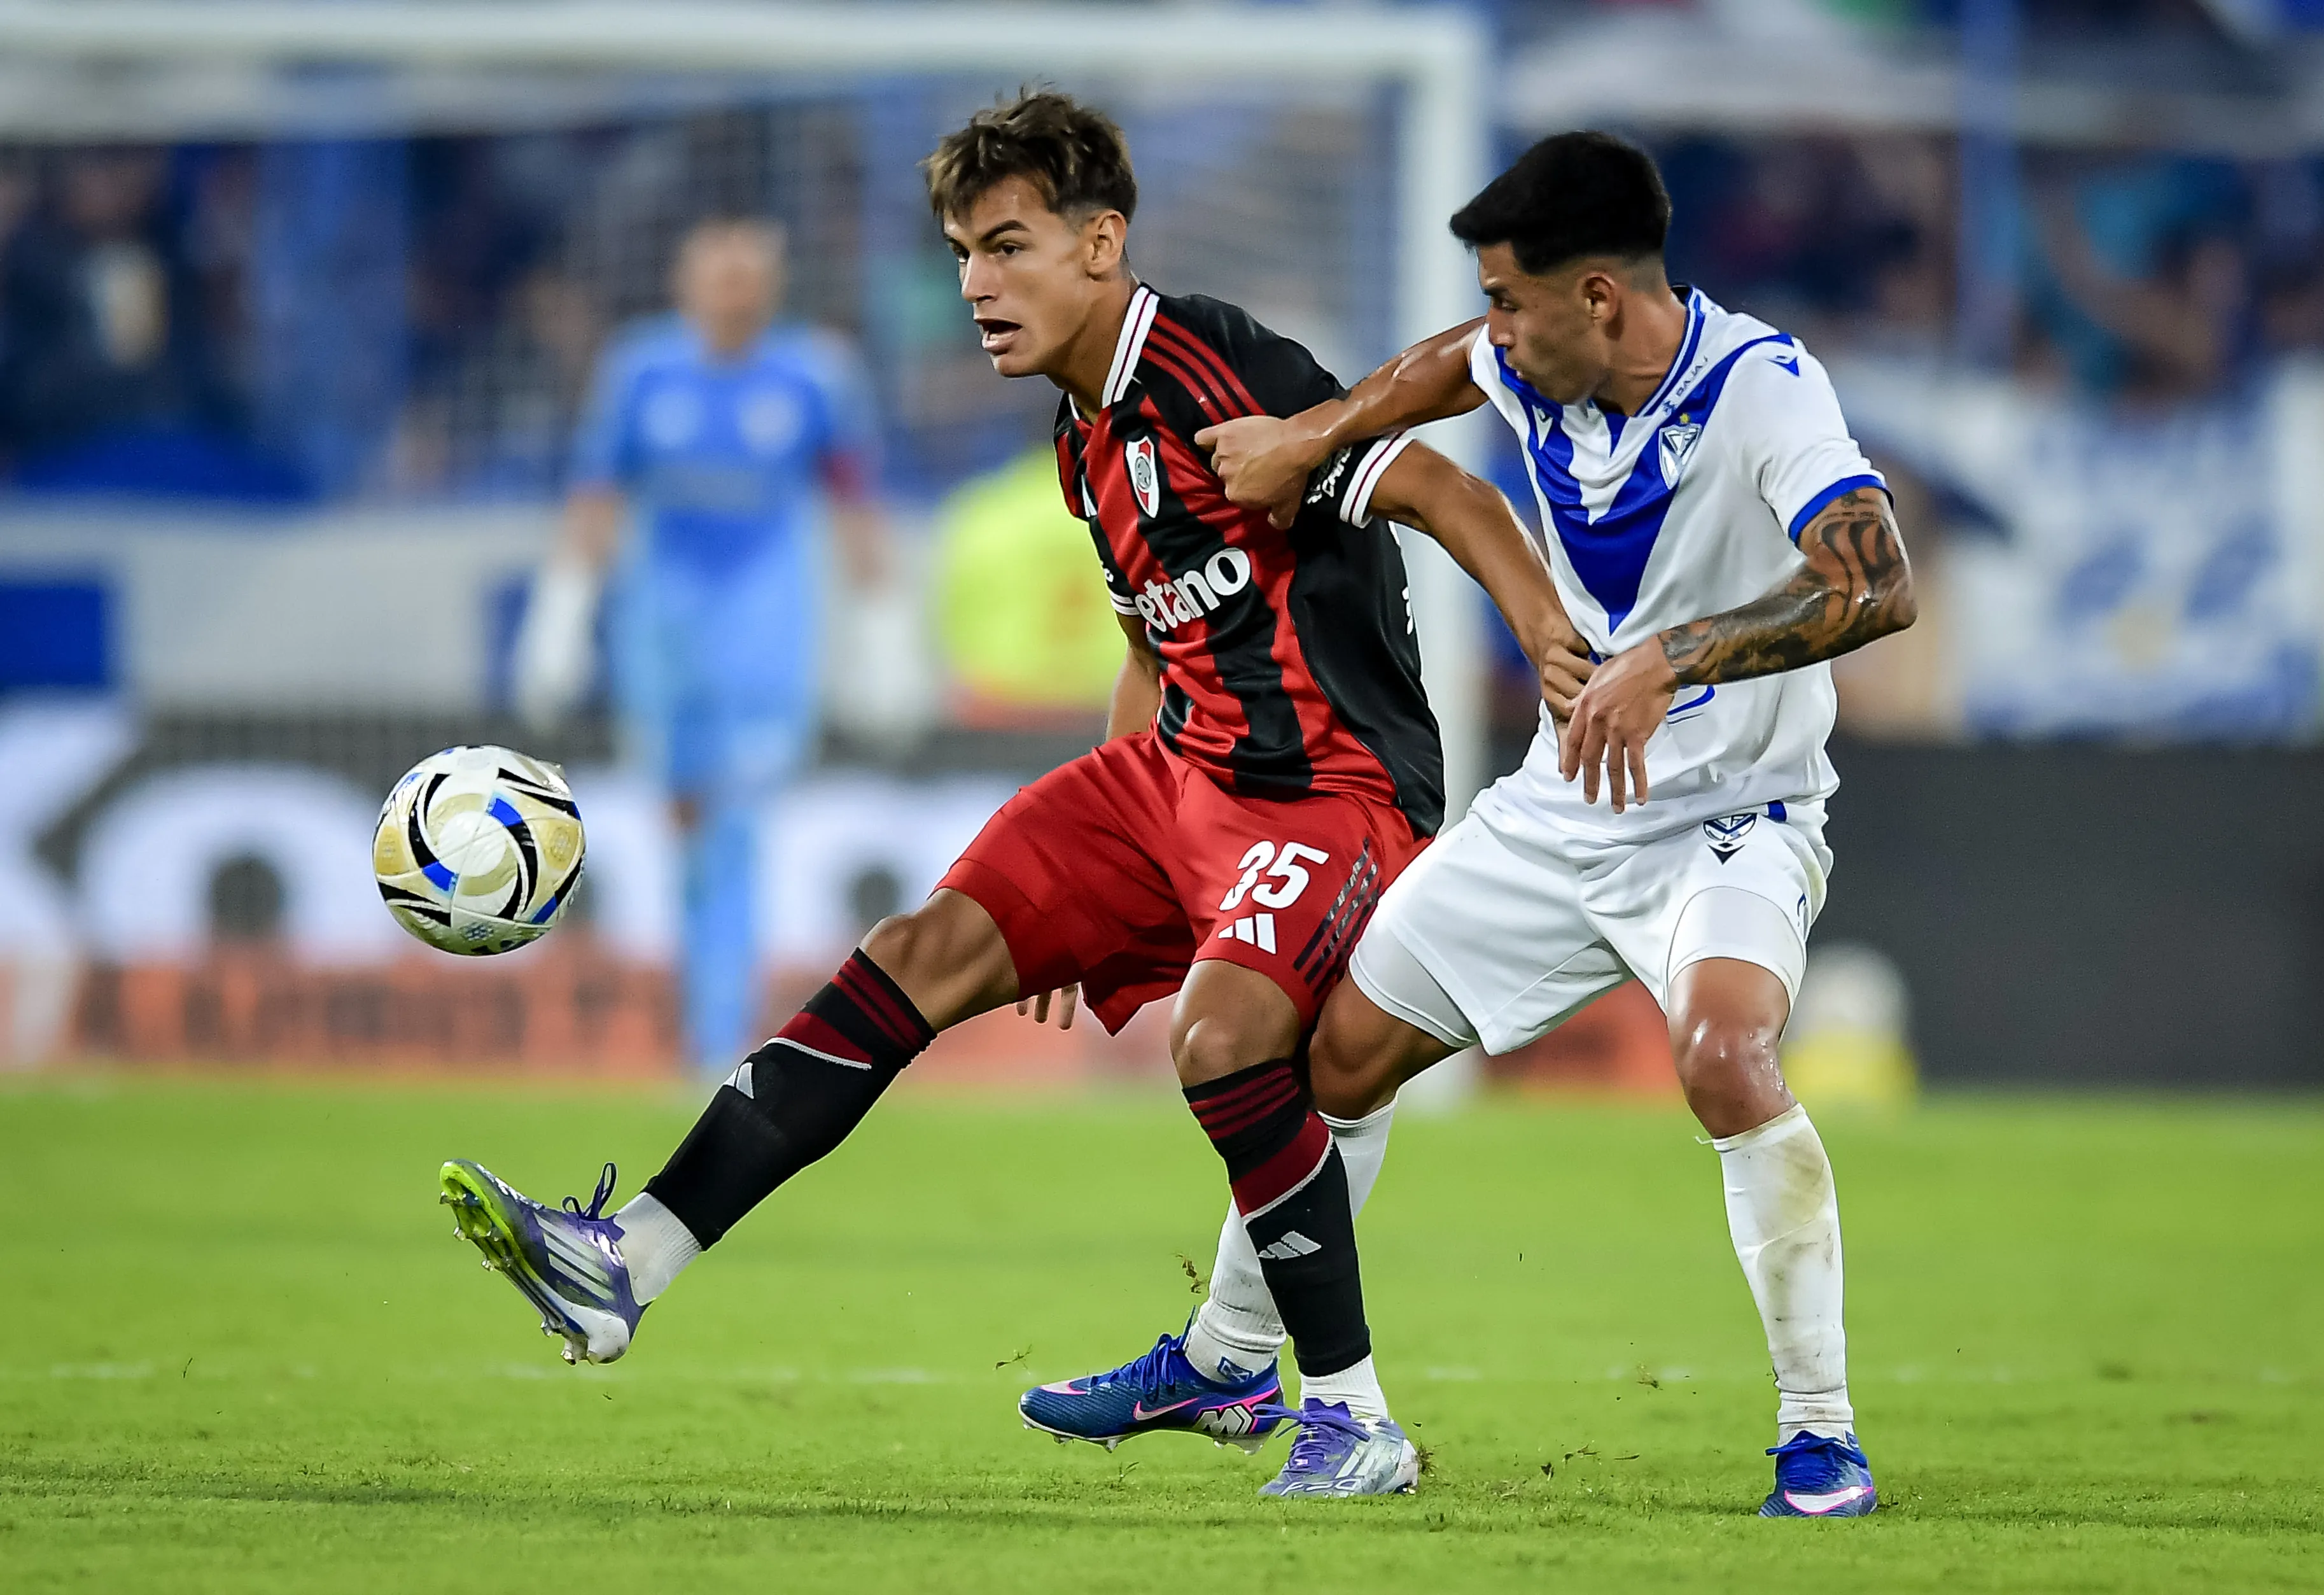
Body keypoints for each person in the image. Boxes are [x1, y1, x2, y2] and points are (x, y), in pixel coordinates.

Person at [443, 92, 1588, 1500]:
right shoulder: (1079, 434)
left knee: (1225, 1043)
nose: (975, 284)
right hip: (1174, 776)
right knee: (915, 952)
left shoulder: (1211, 364)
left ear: (1100, 243)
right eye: (958, 253)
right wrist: (1112, 881)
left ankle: (1351, 1418)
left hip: (1328, 789)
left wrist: (1545, 641)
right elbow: (1147, 634)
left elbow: (1433, 486)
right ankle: (628, 1261)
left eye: (1006, 245)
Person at [1055, 130, 1914, 1519]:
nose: (1492, 326)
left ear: (1597, 296)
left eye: (1512, 296)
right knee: (1333, 1053)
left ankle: (1819, 1440)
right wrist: (1313, 432)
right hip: (1560, 806)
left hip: (1732, 817)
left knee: (1723, 1051)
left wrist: (1669, 655)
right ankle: (1228, 1356)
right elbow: (1443, 362)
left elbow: (1878, 589)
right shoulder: (1526, 354)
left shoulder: (1762, 391)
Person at [514, 218, 886, 1074]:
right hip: (663, 635)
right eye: (719, 277)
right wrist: (563, 613)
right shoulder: (640, 370)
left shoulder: (815, 375)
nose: (735, 293)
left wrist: (880, 628)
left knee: (743, 826)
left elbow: (856, 501)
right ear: (686, 283)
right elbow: (597, 496)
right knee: (684, 828)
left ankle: (725, 1038)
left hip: (767, 634)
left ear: (772, 285)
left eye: (749, 276)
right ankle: (698, 1030)